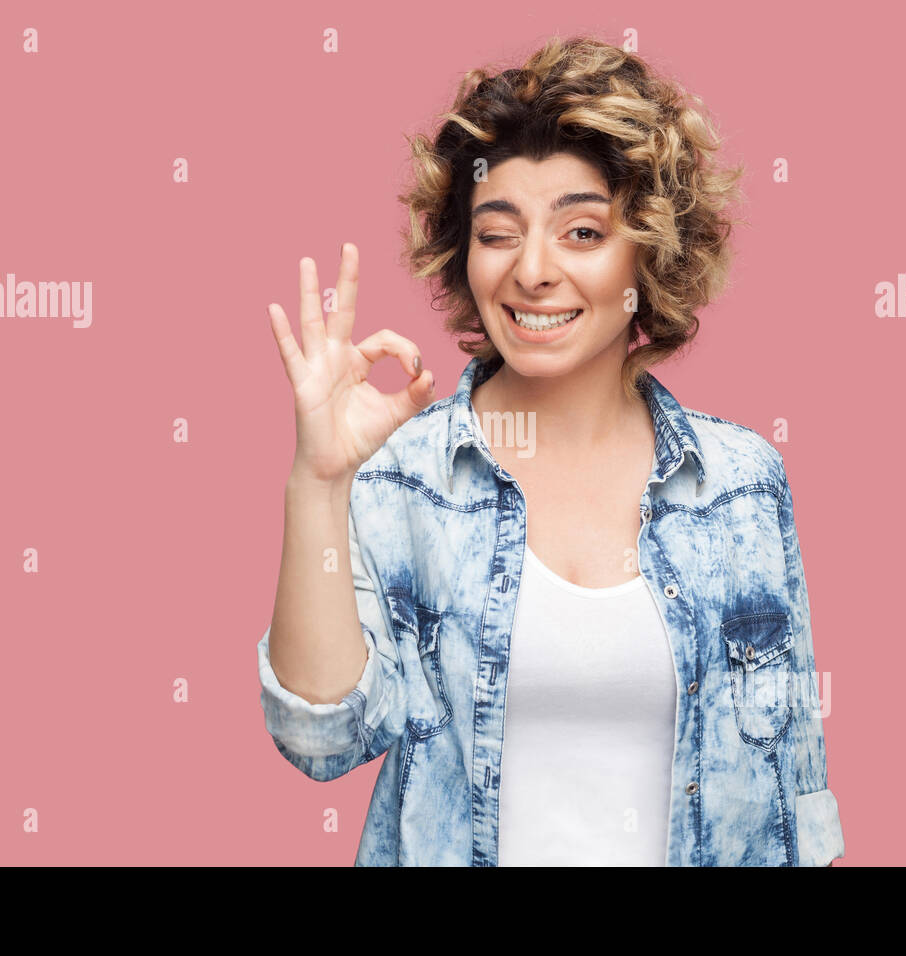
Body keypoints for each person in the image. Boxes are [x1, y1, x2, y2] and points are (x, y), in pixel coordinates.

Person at [258, 34, 845, 866]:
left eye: (581, 232)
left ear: (648, 251)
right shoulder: (403, 475)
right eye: (499, 233)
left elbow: (798, 795)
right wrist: (318, 483)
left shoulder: (742, 483)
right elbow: (322, 742)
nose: (533, 271)